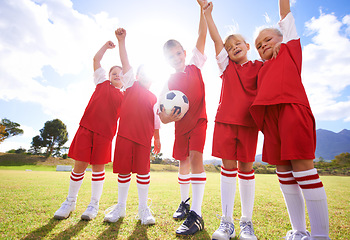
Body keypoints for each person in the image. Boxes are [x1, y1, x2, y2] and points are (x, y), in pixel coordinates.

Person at [251, 0, 330, 239]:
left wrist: (282, 41)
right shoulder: (260, 69)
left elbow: (285, 13)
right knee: (284, 173)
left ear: (283, 38)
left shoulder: (290, 50)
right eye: (259, 45)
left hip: (292, 111)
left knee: (303, 170)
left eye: (268, 40)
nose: (264, 45)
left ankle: (320, 235)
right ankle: (299, 231)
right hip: (271, 121)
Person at [200, 1, 263, 239]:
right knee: (228, 169)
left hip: (249, 125)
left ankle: (246, 221)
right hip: (226, 123)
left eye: (238, 43)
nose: (234, 47)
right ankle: (226, 222)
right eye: (230, 46)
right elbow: (216, 40)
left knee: (246, 169)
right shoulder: (226, 67)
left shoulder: (260, 66)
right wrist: (207, 15)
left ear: (247, 46)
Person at [53, 41, 124, 221]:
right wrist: (106, 47)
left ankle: (93, 204)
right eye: (113, 73)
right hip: (86, 129)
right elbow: (96, 59)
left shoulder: (125, 97)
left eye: (120, 73)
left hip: (105, 135)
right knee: (79, 166)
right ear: (107, 77)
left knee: (98, 169)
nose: (117, 75)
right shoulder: (101, 83)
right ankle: (70, 201)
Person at [159, 0, 207, 236]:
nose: (177, 57)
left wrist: (202, 9)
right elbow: (162, 113)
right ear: (166, 61)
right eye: (171, 56)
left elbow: (201, 34)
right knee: (183, 163)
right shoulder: (168, 83)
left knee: (196, 159)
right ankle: (185, 202)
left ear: (184, 52)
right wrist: (167, 119)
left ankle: (196, 215)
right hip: (181, 127)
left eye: (179, 53)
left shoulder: (195, 65)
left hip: (199, 121)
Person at [103, 28, 161, 226]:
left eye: (149, 74)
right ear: (136, 75)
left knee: (143, 173)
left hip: (144, 139)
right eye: (142, 73)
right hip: (125, 136)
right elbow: (125, 61)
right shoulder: (130, 85)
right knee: (124, 172)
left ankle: (143, 209)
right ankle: (120, 207)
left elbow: (156, 121)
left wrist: (157, 139)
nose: (145, 76)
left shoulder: (154, 97)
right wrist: (122, 41)